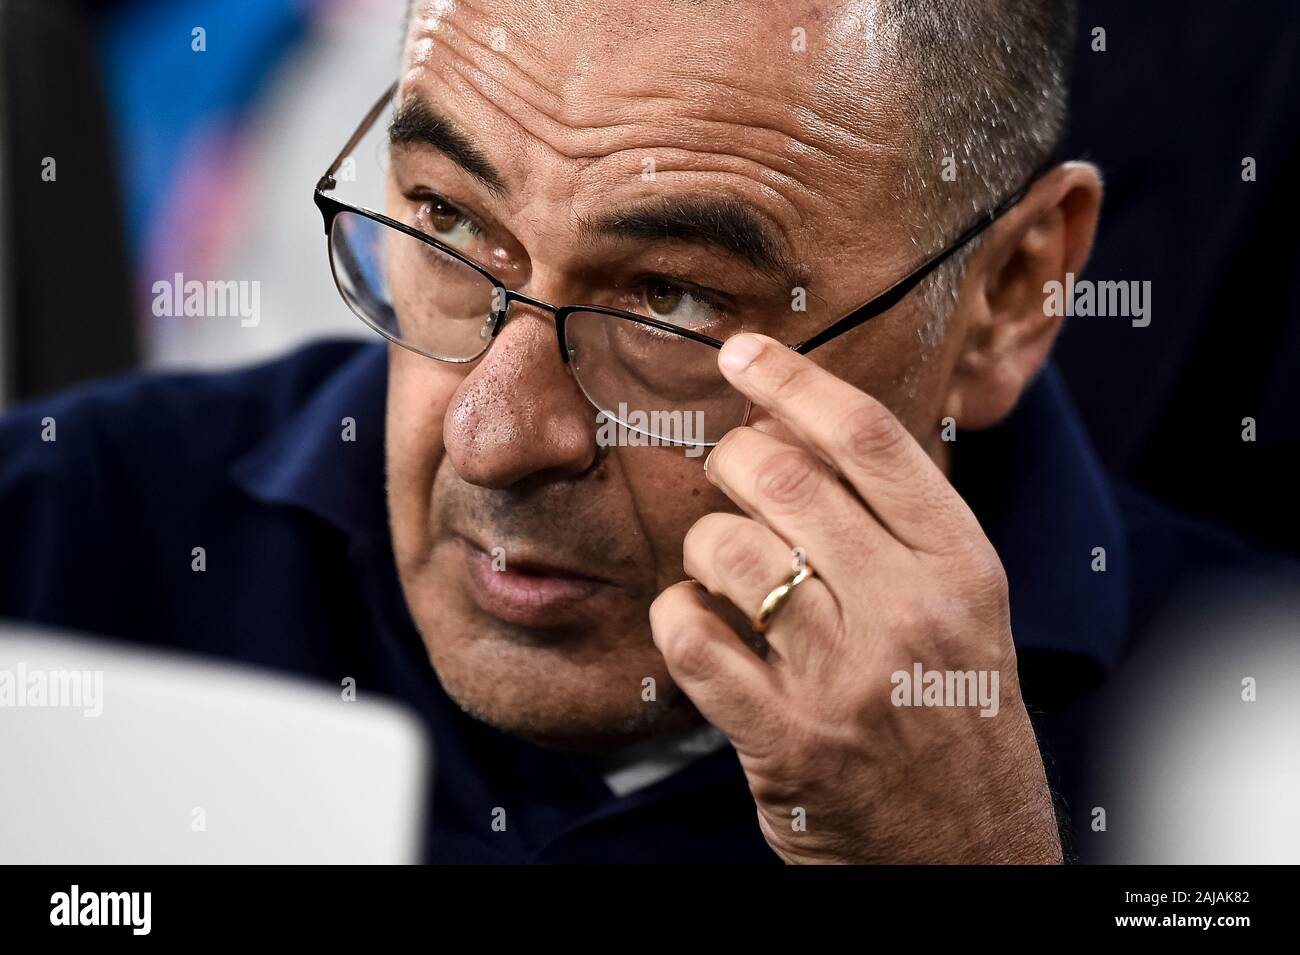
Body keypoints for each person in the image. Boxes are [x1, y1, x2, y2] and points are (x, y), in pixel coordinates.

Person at [2, 0, 1293, 863]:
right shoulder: (52, 537)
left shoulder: (1241, 740)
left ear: (1008, 298)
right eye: (450, 225)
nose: (497, 435)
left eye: (671, 300)